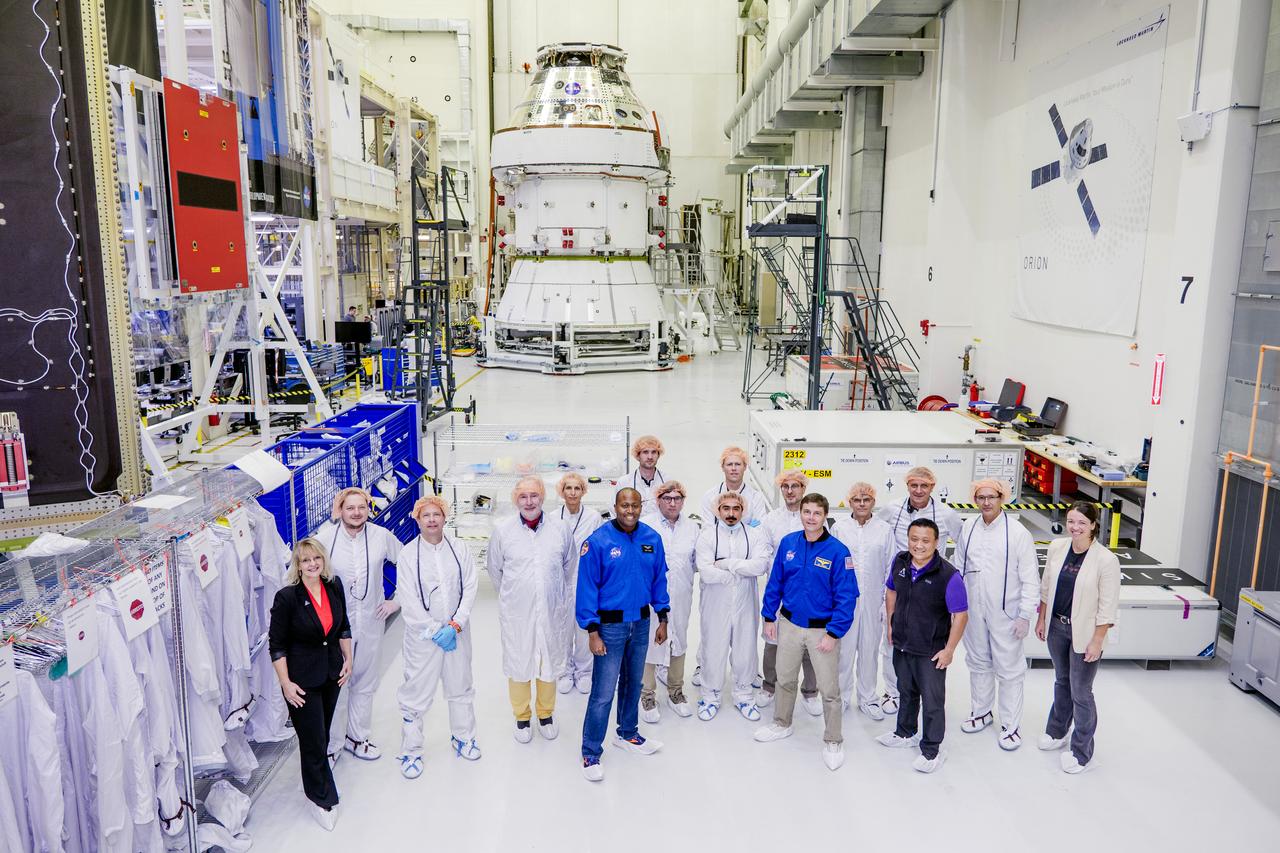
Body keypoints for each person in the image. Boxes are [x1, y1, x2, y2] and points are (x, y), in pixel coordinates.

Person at [754, 494, 859, 771]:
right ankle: (781, 722)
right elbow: (775, 581)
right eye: (806, 512)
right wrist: (768, 616)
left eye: (816, 513)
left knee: (829, 689)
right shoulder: (789, 543)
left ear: (825, 516)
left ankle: (833, 739)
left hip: (821, 630)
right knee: (785, 679)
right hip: (788, 624)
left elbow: (847, 597)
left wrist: (833, 634)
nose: (811, 517)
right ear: (800, 513)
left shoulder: (838, 551)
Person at [576, 488, 670, 782]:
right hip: (610, 627)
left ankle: (627, 733)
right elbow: (586, 589)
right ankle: (591, 751)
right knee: (603, 692)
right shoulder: (598, 542)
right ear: (615, 506)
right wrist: (592, 630)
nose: (629, 510)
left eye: (634, 505)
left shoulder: (651, 539)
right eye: (624, 505)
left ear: (641, 507)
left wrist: (663, 617)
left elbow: (659, 580)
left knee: (634, 683)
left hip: (641, 623)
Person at [314, 488, 403, 765]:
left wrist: (396, 601)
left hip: (371, 621)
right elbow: (301, 572)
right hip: (335, 627)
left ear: (368, 509)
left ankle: (357, 738)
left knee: (365, 683)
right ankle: (331, 745)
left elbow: (410, 563)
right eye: (350, 508)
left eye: (361, 508)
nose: (356, 513)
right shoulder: (324, 539)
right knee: (336, 685)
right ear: (340, 510)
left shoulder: (381, 537)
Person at [269, 538, 353, 830]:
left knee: (322, 733)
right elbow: (277, 646)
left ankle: (318, 779)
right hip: (301, 681)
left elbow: (343, 626)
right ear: (298, 565)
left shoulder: (334, 586)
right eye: (306, 560)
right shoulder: (287, 597)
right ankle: (321, 797)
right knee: (313, 740)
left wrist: (348, 659)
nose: (312, 564)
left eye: (316, 558)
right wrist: (286, 683)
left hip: (331, 674)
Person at [394, 496, 480, 779]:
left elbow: (470, 586)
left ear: (445, 518)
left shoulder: (459, 548)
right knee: (416, 693)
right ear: (417, 520)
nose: (431, 520)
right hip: (423, 638)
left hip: (457, 632)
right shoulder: (408, 554)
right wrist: (433, 630)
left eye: (436, 514)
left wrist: (456, 624)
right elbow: (407, 598)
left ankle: (463, 737)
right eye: (425, 516)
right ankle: (411, 750)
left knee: (460, 686)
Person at [486, 476, 575, 743]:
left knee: (549, 660)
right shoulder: (503, 532)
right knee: (519, 661)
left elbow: (568, 566)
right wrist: (519, 594)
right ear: (515, 500)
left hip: (550, 609)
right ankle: (522, 717)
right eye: (523, 496)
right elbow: (495, 570)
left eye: (534, 495)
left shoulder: (560, 529)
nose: (529, 501)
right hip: (517, 611)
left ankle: (545, 714)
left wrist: (549, 591)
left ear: (543, 498)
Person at [876, 519, 968, 774]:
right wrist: (891, 625)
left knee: (932, 700)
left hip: (931, 650)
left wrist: (949, 650)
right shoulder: (901, 562)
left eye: (925, 540)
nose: (919, 545)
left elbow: (961, 615)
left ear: (937, 542)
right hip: (903, 643)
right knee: (905, 691)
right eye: (914, 539)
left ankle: (931, 749)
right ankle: (905, 732)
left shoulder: (948, 576)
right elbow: (891, 591)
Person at [1035, 501, 1120, 774]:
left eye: (1082, 523)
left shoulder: (1106, 560)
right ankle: (1057, 730)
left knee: (1081, 691)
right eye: (1071, 521)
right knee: (1062, 681)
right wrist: (1042, 618)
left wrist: (1097, 640)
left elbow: (1108, 605)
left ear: (1094, 525)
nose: (1075, 527)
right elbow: (1047, 586)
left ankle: (1082, 751)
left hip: (1085, 633)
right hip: (1057, 627)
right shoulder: (1057, 547)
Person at [955, 479, 1039, 750]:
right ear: (975, 499)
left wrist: (1025, 614)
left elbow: (1030, 577)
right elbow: (959, 568)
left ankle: (1010, 725)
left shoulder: (1017, 532)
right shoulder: (968, 528)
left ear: (1002, 498)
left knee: (1009, 669)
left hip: (1007, 612)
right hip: (974, 609)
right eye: (981, 497)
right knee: (978, 661)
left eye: (992, 497)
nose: (986, 502)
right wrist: (957, 607)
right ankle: (981, 712)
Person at [874, 464, 962, 715]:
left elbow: (963, 544)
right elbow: (877, 533)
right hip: (899, 583)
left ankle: (922, 691)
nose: (919, 490)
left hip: (932, 587)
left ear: (932, 487)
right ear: (907, 486)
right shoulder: (893, 508)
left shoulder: (946, 514)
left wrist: (950, 577)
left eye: (924, 486)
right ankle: (893, 692)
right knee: (891, 640)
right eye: (914, 485)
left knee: (927, 641)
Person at [693, 491, 769, 721]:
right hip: (715, 603)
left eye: (736, 508)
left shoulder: (754, 535)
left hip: (746, 602)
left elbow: (760, 566)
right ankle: (710, 695)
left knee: (745, 648)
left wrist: (726, 565)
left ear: (742, 511)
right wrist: (737, 572)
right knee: (713, 647)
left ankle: (744, 695)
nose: (731, 513)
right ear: (718, 510)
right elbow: (705, 571)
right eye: (726, 508)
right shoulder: (707, 536)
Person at [830, 481, 897, 719]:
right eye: (856, 500)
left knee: (869, 649)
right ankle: (841, 697)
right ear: (849, 502)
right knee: (844, 650)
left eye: (866, 500)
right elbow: (831, 565)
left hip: (873, 599)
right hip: (845, 600)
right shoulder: (839, 528)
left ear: (873, 502)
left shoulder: (883, 530)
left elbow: (891, 567)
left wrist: (885, 603)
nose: (861, 504)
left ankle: (868, 697)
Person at [759, 470, 821, 715]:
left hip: (808, 590)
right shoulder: (771, 520)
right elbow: (764, 553)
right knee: (772, 638)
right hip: (778, 586)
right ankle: (769, 686)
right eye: (785, 486)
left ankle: (810, 691)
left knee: (808, 639)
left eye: (795, 486)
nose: (790, 490)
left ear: (803, 489)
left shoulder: (813, 517)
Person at [639, 480, 699, 722]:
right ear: (658, 500)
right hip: (652, 596)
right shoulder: (646, 526)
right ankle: (647, 694)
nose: (672, 503)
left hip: (682, 593)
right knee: (651, 641)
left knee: (679, 638)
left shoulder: (692, 528)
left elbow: (696, 562)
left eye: (677, 498)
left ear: (683, 501)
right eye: (667, 498)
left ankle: (675, 691)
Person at [556, 473, 606, 694]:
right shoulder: (552, 517)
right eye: (568, 488)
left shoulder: (594, 517)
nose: (573, 492)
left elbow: (599, 549)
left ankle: (584, 672)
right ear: (562, 491)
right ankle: (564, 671)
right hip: (560, 580)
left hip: (585, 580)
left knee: (584, 627)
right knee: (562, 628)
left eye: (577, 488)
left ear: (584, 491)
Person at [700, 446, 766, 526]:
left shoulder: (756, 498)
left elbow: (760, 529)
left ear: (745, 467)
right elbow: (707, 530)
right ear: (722, 467)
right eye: (729, 464)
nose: (734, 468)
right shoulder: (710, 496)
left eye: (738, 464)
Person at [616, 435, 667, 514]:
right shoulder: (623, 482)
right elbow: (616, 513)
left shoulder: (667, 481)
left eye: (654, 452)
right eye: (645, 452)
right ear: (638, 455)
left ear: (658, 455)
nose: (650, 457)